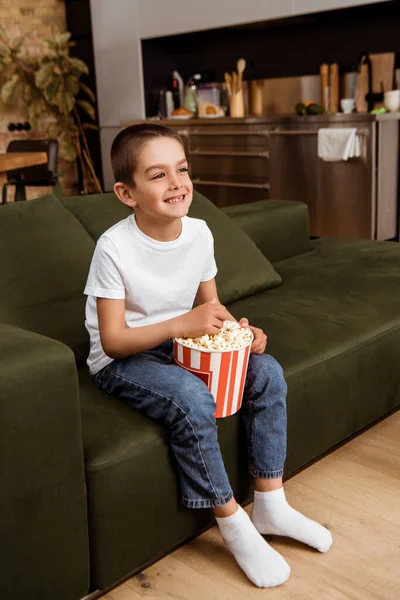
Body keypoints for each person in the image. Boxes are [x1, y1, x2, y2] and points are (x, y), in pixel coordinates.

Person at [84, 124, 333, 589]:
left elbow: (212, 311)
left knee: (266, 372)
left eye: (182, 169)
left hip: (180, 344)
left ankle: (270, 503)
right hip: (122, 361)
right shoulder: (113, 248)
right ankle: (232, 521)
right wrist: (182, 325)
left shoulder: (199, 233)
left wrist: (238, 335)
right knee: (191, 396)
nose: (176, 183)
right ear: (126, 192)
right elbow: (113, 341)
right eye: (157, 175)